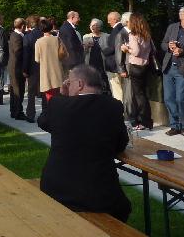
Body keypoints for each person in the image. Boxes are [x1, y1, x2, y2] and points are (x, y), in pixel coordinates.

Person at [38, 64, 131, 222]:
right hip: (98, 193)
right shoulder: (113, 106)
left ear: (80, 84)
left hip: (57, 188)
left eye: (70, 82)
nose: (68, 85)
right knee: (123, 207)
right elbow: (121, 144)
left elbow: (43, 122)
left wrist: (64, 96)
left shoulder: (58, 104)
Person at [161, 6, 184, 136]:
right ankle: (174, 125)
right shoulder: (172, 27)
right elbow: (163, 44)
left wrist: (183, 51)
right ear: (181, 16)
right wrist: (169, 47)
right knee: (168, 98)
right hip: (168, 67)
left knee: (181, 98)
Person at [120, 12, 153, 130]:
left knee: (138, 96)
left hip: (135, 67)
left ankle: (143, 121)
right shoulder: (147, 34)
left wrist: (125, 49)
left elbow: (136, 52)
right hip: (145, 66)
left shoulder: (133, 35)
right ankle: (148, 121)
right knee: (143, 94)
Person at [35, 18, 64, 107]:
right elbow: (65, 54)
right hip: (58, 71)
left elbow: (37, 59)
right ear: (51, 27)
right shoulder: (57, 39)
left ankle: (52, 116)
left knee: (49, 98)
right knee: (58, 96)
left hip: (46, 72)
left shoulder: (39, 42)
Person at [21, 15, 42, 122]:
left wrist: (25, 70)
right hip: (44, 66)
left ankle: (30, 115)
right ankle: (46, 114)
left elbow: (26, 55)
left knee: (31, 92)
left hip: (32, 68)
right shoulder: (44, 34)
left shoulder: (27, 37)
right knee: (44, 91)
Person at [8, 18, 27, 120]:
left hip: (14, 67)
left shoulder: (14, 35)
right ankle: (18, 112)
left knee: (15, 90)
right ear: (23, 26)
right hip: (17, 68)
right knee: (18, 90)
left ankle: (14, 111)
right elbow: (18, 52)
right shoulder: (17, 37)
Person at [103, 11, 124, 102]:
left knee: (117, 91)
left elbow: (112, 48)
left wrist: (102, 50)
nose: (108, 22)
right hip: (121, 65)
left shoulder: (116, 30)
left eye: (109, 20)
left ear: (115, 19)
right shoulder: (123, 29)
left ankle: (120, 112)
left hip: (114, 65)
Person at [84, 18, 109, 92]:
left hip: (103, 62)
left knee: (103, 79)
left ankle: (104, 93)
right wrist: (85, 47)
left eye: (95, 25)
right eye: (92, 25)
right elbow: (83, 52)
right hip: (90, 61)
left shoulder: (107, 36)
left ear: (100, 27)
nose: (93, 27)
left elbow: (109, 49)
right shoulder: (86, 37)